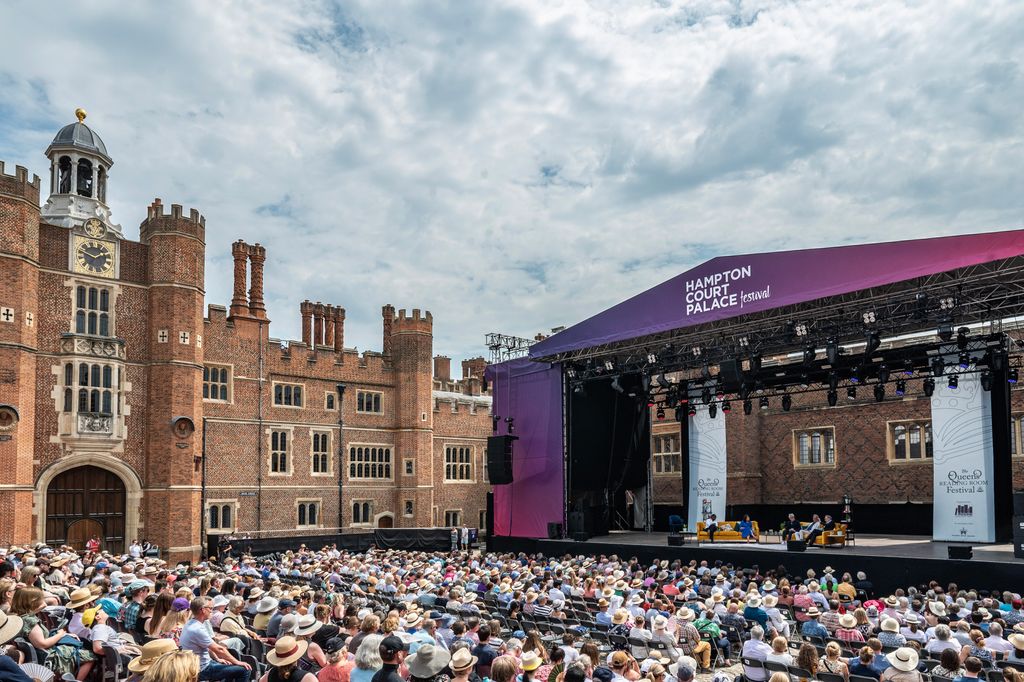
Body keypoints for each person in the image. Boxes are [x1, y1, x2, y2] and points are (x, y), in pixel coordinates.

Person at [178, 597, 251, 682]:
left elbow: (209, 645)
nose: (211, 611)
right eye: (210, 608)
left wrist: (217, 659)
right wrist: (237, 662)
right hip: (202, 669)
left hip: (202, 664)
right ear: (203, 610)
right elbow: (219, 649)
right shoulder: (197, 628)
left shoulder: (191, 623)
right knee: (245, 670)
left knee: (231, 666)